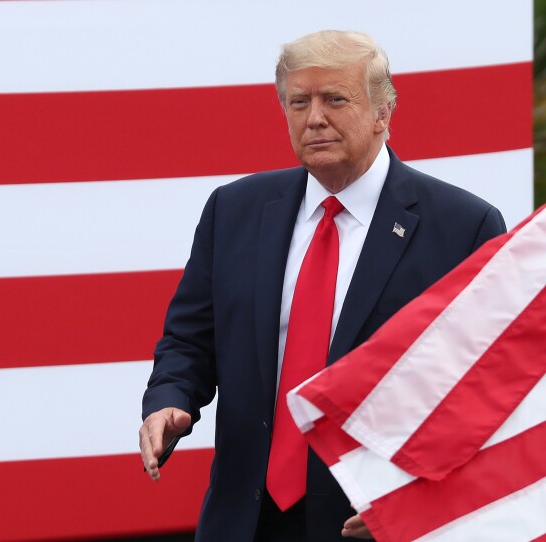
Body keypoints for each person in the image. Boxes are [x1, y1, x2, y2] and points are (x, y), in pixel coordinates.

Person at [138, 30, 506, 541]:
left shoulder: (462, 227)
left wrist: (415, 498)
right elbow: (190, 340)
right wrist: (169, 399)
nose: (314, 118)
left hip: (372, 520)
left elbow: (485, 388)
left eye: (335, 99)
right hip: (245, 518)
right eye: (299, 102)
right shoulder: (234, 211)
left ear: (383, 113)